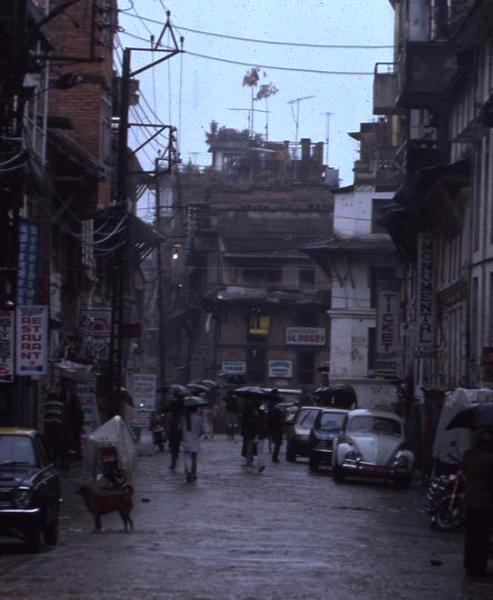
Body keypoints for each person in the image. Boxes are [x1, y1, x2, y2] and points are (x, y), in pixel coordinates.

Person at [462, 427, 493, 577]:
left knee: (470, 535)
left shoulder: (469, 455)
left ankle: (469, 565)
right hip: (484, 502)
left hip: (470, 499)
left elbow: (464, 471)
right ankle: (478, 567)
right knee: (481, 537)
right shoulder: (490, 460)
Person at [43, 392, 67, 469]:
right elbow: (63, 416)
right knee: (57, 445)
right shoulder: (60, 404)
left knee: (48, 444)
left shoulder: (46, 404)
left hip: (48, 426)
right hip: (57, 426)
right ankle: (55, 461)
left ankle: (49, 460)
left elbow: (43, 415)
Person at [181, 405, 202, 483]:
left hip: (186, 440)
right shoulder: (198, 418)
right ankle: (194, 473)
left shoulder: (184, 418)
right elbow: (200, 430)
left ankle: (188, 471)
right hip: (195, 440)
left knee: (187, 456)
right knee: (194, 458)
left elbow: (181, 429)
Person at [167, 390, 185, 471]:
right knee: (184, 448)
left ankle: (173, 464)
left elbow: (166, 410)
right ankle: (187, 466)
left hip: (174, 428)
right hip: (182, 428)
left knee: (174, 447)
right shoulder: (185, 404)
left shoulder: (173, 404)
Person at [267, 395, 284, 463]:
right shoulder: (277, 410)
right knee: (277, 443)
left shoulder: (272, 409)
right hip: (277, 428)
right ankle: (274, 457)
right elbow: (277, 420)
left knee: (277, 443)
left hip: (274, 428)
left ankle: (275, 456)